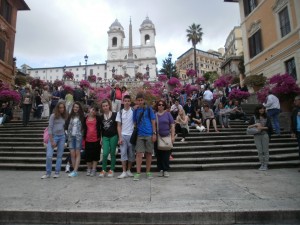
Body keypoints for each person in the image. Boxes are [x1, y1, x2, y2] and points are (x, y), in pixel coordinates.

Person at [133, 92, 156, 181]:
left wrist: (154, 133)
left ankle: (148, 172)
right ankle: (138, 172)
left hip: (149, 133)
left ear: (144, 100)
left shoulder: (149, 108)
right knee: (139, 154)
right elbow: (134, 121)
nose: (140, 102)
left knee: (149, 153)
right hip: (140, 134)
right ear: (136, 101)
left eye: (141, 100)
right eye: (138, 100)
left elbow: (153, 120)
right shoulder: (135, 110)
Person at [41, 102, 68, 179]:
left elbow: (65, 127)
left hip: (62, 137)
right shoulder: (53, 116)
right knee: (49, 155)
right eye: (60, 107)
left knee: (59, 156)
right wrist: (52, 140)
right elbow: (50, 128)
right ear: (57, 108)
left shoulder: (64, 116)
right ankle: (48, 173)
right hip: (54, 136)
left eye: (63, 107)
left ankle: (57, 172)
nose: (61, 109)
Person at [247, 105, 272, 171]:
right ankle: (262, 164)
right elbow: (249, 126)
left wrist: (261, 128)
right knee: (260, 151)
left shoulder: (267, 117)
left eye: (263, 109)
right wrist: (255, 125)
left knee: (265, 150)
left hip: (265, 135)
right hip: (256, 135)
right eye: (260, 109)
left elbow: (269, 127)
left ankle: (266, 164)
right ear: (257, 110)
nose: (262, 110)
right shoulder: (254, 117)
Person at [116, 95, 135, 179]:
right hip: (123, 135)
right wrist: (120, 137)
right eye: (125, 101)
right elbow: (119, 126)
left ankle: (128, 170)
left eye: (128, 101)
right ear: (123, 102)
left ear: (130, 102)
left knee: (131, 154)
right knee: (123, 154)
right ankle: (123, 171)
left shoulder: (134, 111)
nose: (127, 102)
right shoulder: (120, 112)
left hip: (131, 135)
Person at [155, 100, 175, 177]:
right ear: (157, 106)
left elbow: (172, 125)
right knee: (159, 154)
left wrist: (173, 136)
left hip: (166, 136)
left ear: (164, 106)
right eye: (159, 105)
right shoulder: (155, 114)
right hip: (158, 137)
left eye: (162, 105)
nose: (161, 106)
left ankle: (165, 169)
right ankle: (160, 169)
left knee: (166, 154)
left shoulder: (168, 114)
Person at [99, 99, 118, 178]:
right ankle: (103, 170)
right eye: (104, 106)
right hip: (105, 137)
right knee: (105, 153)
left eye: (106, 105)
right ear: (102, 107)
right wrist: (101, 138)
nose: (105, 107)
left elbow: (118, 126)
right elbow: (100, 129)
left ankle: (112, 169)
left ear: (109, 105)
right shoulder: (101, 117)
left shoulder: (114, 114)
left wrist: (119, 137)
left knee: (113, 153)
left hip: (114, 136)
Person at [65, 102, 85, 177]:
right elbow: (66, 125)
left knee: (77, 153)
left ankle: (75, 171)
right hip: (70, 137)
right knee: (72, 154)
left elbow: (84, 127)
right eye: (74, 107)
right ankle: (74, 170)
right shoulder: (70, 116)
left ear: (79, 108)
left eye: (77, 107)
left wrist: (82, 135)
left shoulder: (82, 117)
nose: (75, 108)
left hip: (78, 137)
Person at [82, 104, 101, 177]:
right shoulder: (85, 118)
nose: (93, 111)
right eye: (92, 109)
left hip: (96, 139)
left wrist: (101, 138)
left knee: (95, 155)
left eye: (95, 110)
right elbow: (84, 128)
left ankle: (93, 169)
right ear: (89, 109)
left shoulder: (98, 118)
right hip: (87, 139)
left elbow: (101, 128)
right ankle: (88, 169)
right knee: (88, 155)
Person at [290, 95, 300, 172]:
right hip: (298, 132)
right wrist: (292, 131)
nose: (294, 102)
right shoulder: (295, 110)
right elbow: (292, 121)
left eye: (295, 100)